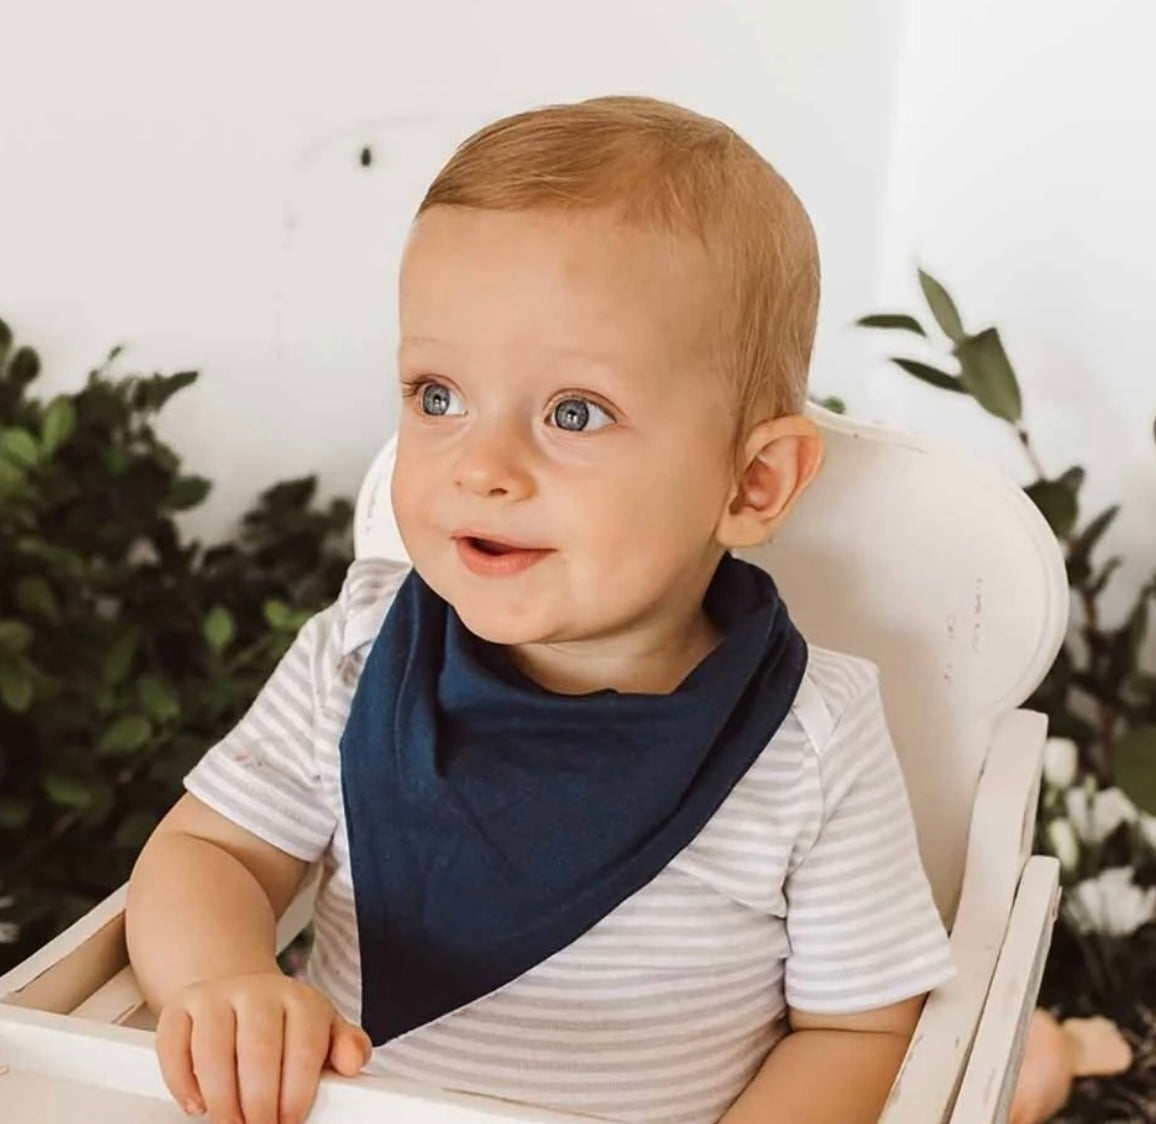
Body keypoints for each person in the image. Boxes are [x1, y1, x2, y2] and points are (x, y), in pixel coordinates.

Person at [125, 95, 955, 1124]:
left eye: (574, 412)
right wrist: (220, 981)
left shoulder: (806, 734)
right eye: (437, 395)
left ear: (749, 484)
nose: (480, 464)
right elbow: (211, 853)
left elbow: (857, 1027)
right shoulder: (358, 651)